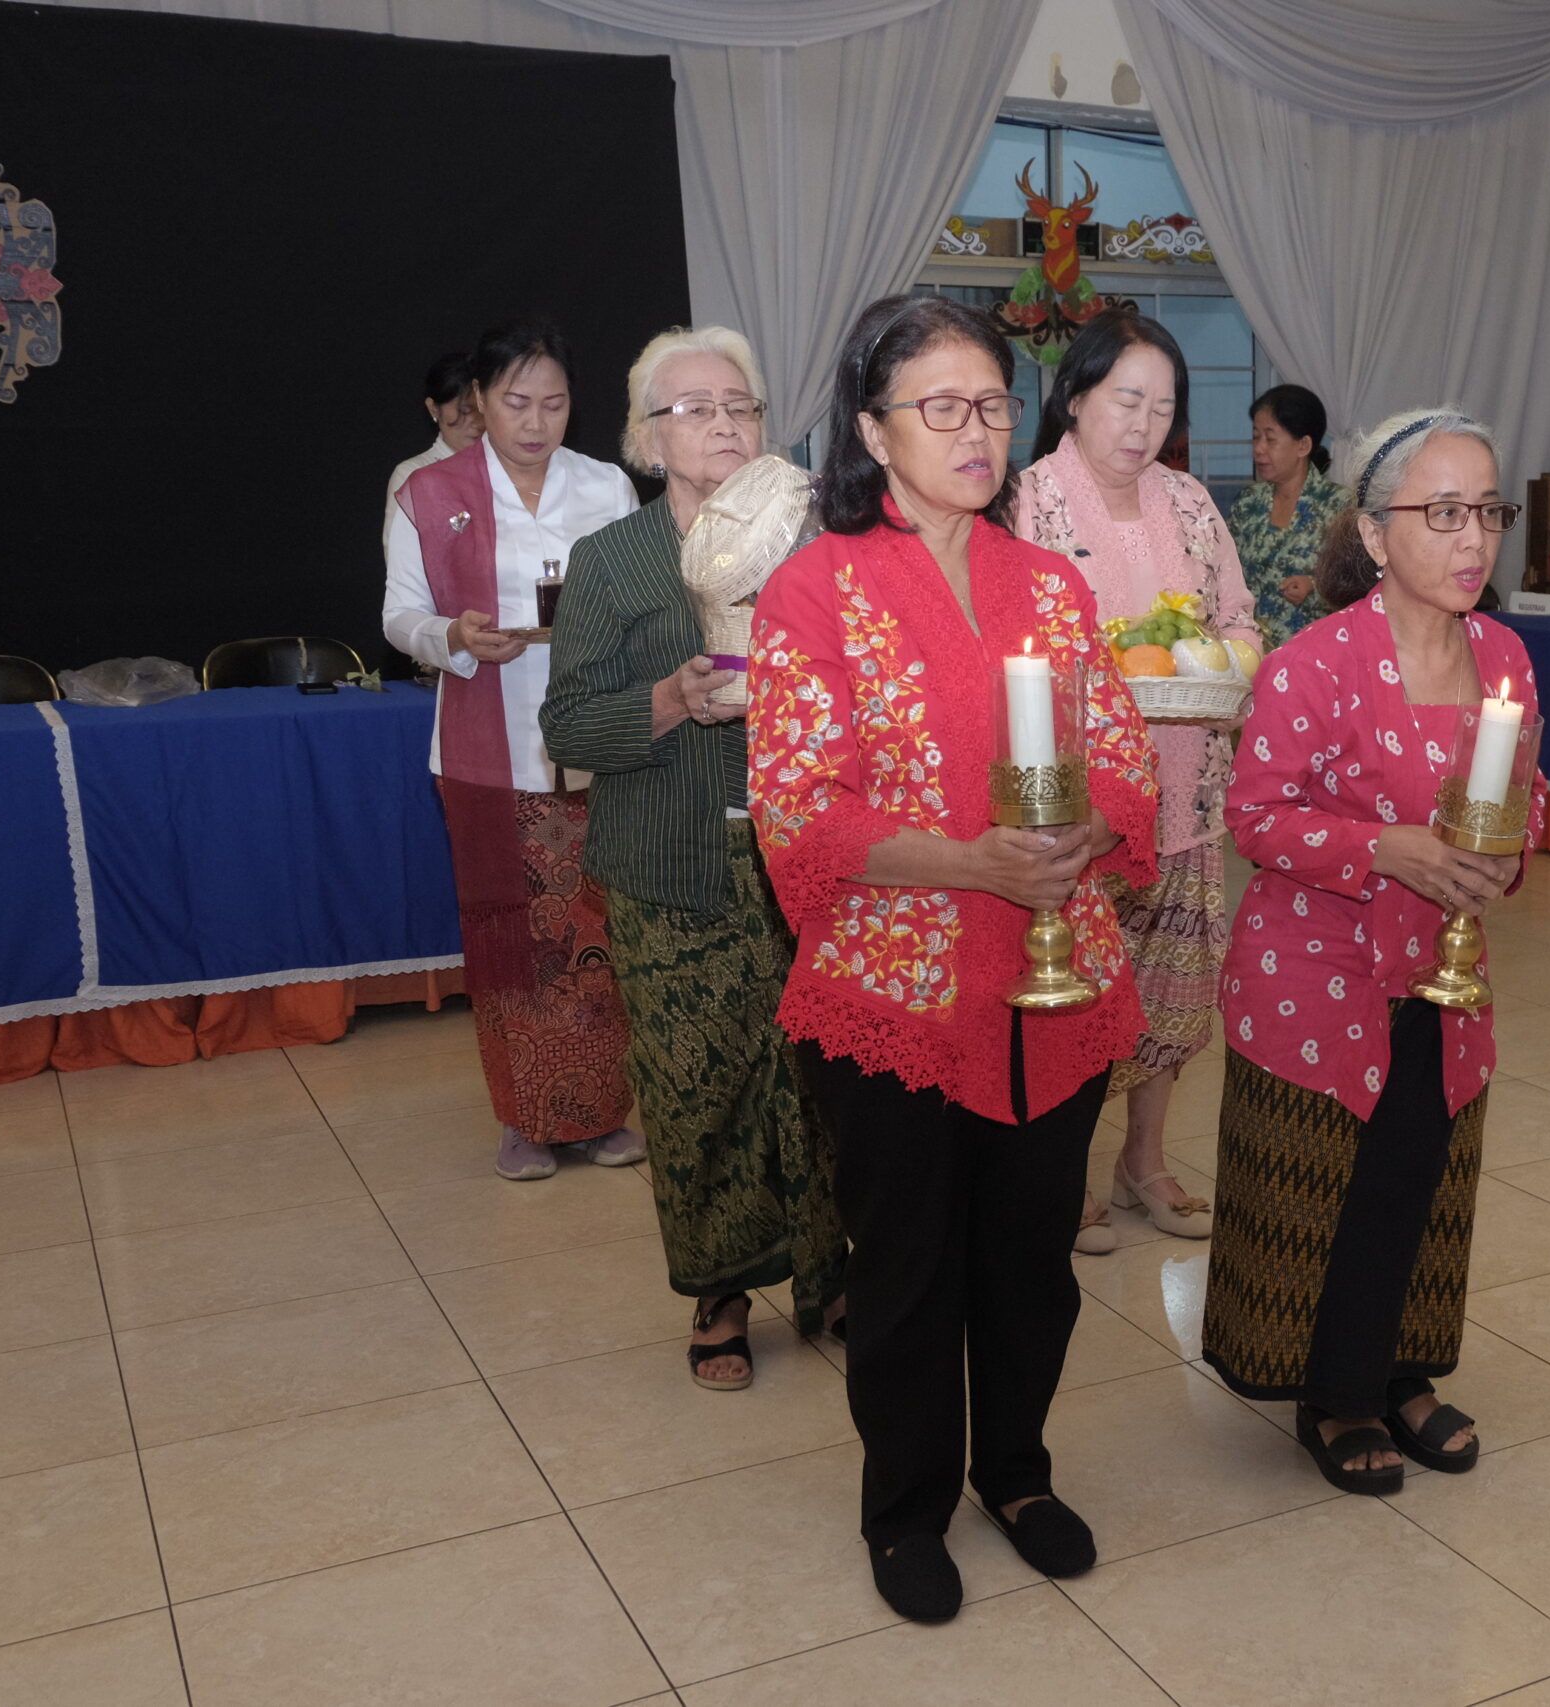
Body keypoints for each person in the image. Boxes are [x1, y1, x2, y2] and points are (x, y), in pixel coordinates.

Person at [748, 294, 1159, 1624]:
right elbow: (801, 809)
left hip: (1056, 975)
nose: (976, 430)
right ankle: (907, 1504)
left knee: (1033, 1258)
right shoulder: (816, 587)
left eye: (991, 403)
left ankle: (1017, 1473)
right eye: (942, 407)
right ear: (874, 431)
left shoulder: (1050, 583)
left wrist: (1093, 826)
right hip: (900, 986)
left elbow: (1121, 755)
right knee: (910, 1267)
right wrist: (975, 862)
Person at [1200, 408, 1545, 1497]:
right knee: (1328, 1182)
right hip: (1319, 967)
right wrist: (1386, 847)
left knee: (1421, 1168)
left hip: (1444, 966)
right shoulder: (1315, 663)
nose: (1472, 538)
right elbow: (1255, 818)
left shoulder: (1504, 655)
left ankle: (1401, 1371)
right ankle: (1334, 1391)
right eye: (1441, 513)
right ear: (1374, 533)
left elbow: (1525, 799)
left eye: (1487, 511)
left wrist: (1503, 858)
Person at [541, 326, 842, 1391]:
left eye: (740, 406)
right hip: (667, 865)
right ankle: (719, 1292)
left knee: (820, 1078)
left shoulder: (817, 547)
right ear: (647, 436)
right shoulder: (612, 560)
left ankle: (830, 1275)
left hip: (810, 857)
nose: (723, 425)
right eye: (696, 409)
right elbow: (568, 725)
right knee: (693, 1087)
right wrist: (670, 699)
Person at [1015, 309, 1259, 1254]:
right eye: (1126, 400)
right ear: (1076, 398)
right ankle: (1067, 1173)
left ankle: (1143, 1161)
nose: (1143, 424)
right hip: (1077, 804)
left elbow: (1237, 618)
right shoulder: (1027, 503)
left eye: (1162, 407)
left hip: (1186, 789)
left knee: (1174, 991)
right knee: (1076, 994)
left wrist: (1230, 660)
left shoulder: (1191, 502)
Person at [384, 316, 643, 1182]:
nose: (536, 422)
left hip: (598, 741)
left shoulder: (605, 486)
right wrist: (452, 635)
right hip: (488, 746)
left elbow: (644, 600)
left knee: (596, 931)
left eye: (554, 403)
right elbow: (398, 614)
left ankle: (602, 1112)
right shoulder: (427, 491)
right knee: (510, 932)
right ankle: (524, 1117)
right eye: (516, 402)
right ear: (479, 401)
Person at [1226, 385, 1344, 649]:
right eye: (1255, 437)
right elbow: (1223, 572)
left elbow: (1361, 585)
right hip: (1250, 651)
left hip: (1315, 651)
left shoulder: (1339, 506)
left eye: (1270, 439)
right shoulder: (1247, 503)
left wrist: (1315, 587)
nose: (1258, 449)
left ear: (1303, 445)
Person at [384, 350, 484, 528]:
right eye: (464, 411)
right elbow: (401, 546)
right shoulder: (412, 475)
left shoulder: (510, 467)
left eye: (483, 410)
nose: (477, 422)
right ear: (434, 409)